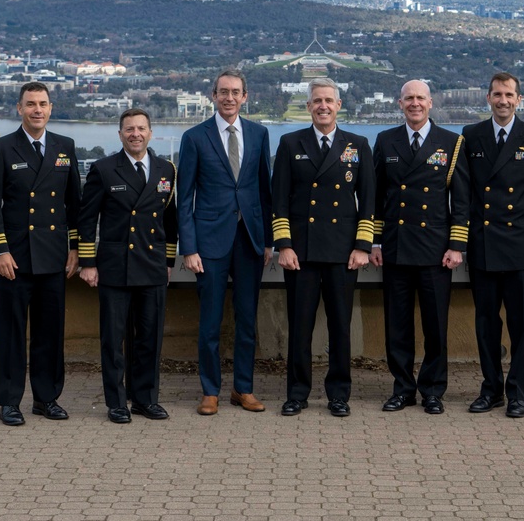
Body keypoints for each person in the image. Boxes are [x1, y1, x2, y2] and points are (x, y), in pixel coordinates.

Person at [272, 77, 375, 417]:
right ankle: (297, 393)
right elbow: (280, 201)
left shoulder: (357, 144)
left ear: (339, 105)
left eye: (329, 100)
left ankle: (338, 394)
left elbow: (368, 202)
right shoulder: (290, 143)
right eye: (317, 101)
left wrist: (363, 245)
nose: (323, 106)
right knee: (299, 327)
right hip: (300, 253)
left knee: (339, 327)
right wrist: (283, 245)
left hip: (343, 253)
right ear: (309, 106)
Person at [0, 81, 81, 426]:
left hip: (53, 256)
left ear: (51, 108)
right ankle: (9, 402)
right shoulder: (3, 148)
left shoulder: (64, 147)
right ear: (19, 109)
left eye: (43, 103)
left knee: (49, 331)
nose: (37, 110)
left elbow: (74, 203)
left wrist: (74, 248)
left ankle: (46, 398)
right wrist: (0, 251)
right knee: (10, 332)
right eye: (31, 104)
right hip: (16, 258)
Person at [177, 68, 273, 416]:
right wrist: (189, 247)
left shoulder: (260, 134)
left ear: (245, 97)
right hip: (209, 244)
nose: (229, 97)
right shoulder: (194, 137)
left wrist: (268, 241)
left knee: (248, 320)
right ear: (213, 96)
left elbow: (265, 190)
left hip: (249, 242)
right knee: (210, 322)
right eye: (223, 92)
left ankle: (243, 389)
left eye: (235, 92)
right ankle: (210, 391)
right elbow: (183, 197)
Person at [370, 80, 469, 415]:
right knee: (397, 326)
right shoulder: (386, 141)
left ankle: (432, 390)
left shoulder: (452, 143)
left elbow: (461, 199)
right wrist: (376, 240)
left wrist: (457, 245)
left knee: (435, 326)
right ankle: (402, 389)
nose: (415, 104)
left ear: (430, 103)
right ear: (400, 103)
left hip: (435, 249)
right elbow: (376, 195)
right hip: (396, 247)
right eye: (408, 98)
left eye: (420, 98)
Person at [461, 71, 524, 419]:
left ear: (519, 99)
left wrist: (520, 220)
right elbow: (466, 190)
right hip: (483, 243)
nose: (503, 100)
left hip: (521, 246)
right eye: (497, 94)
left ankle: (518, 394)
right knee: (486, 323)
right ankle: (491, 390)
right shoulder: (471, 136)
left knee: (521, 326)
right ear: (488, 98)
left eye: (509, 95)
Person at [77, 108, 178, 424]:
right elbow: (87, 218)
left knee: (150, 337)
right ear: (120, 134)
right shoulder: (104, 169)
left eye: (142, 128)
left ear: (151, 132)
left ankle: (146, 399)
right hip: (115, 266)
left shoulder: (166, 169)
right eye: (129, 129)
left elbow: (170, 219)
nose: (136, 134)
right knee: (114, 338)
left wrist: (168, 261)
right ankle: (117, 402)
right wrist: (87, 263)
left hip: (151, 265)